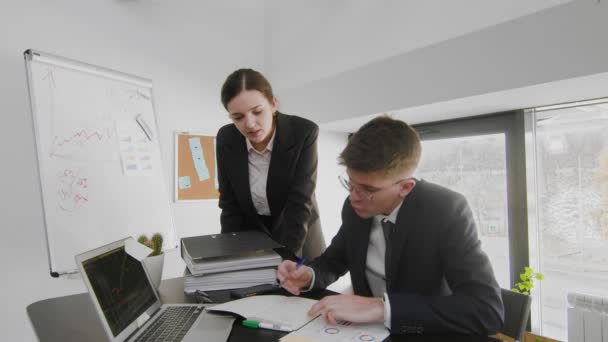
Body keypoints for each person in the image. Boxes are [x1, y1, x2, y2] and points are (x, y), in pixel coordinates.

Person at [278, 115, 504, 335]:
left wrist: (381, 308)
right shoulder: (355, 207)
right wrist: (309, 274)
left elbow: (486, 310)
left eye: (368, 190)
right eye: (351, 183)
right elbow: (335, 259)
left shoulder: (445, 210)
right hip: (364, 333)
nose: (354, 197)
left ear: (405, 187)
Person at [215, 68, 325, 260]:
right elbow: (230, 206)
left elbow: (299, 204)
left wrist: (289, 261)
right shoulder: (227, 138)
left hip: (299, 235)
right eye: (238, 117)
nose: (249, 124)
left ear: (274, 104)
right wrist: (229, 258)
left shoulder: (303, 133)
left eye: (257, 111)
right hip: (253, 239)